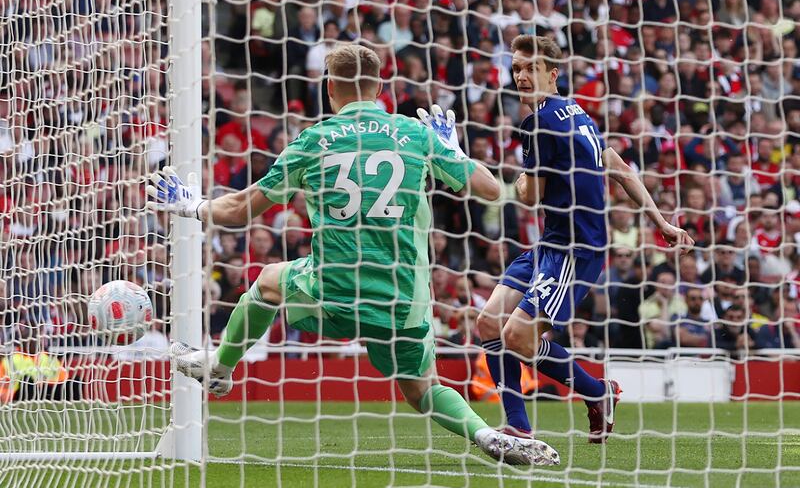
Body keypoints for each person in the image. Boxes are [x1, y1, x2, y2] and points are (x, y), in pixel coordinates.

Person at [147, 44, 559, 466]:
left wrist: (190, 205)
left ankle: (220, 366)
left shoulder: (314, 140)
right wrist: (450, 148)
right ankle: (487, 434)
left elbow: (238, 211)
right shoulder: (414, 135)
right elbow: (491, 190)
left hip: (334, 288)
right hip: (402, 301)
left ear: (329, 88)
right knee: (422, 391)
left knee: (269, 281)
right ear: (379, 86)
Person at [475, 35, 694, 443]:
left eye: (530, 69)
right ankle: (518, 426)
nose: (521, 77)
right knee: (488, 320)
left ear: (553, 74)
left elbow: (530, 196)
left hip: (575, 249)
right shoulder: (577, 113)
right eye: (516, 69)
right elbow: (621, 168)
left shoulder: (538, 123)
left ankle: (597, 392)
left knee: (516, 336)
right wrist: (662, 221)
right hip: (550, 243)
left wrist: (517, 176)